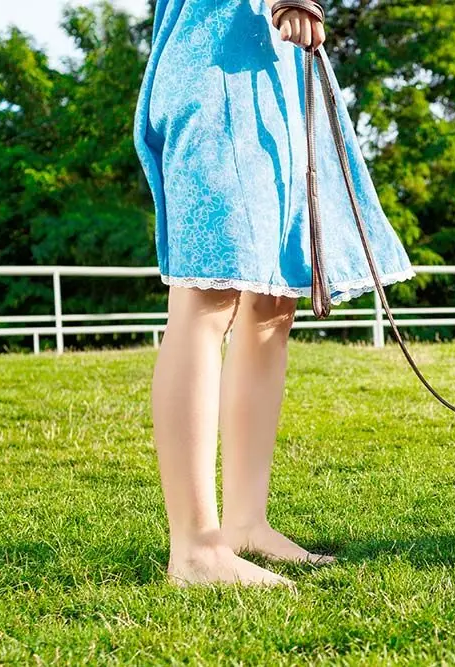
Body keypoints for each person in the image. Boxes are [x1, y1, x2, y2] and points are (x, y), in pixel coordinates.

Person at [133, 0, 413, 586]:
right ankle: (194, 546)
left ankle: (244, 524)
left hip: (279, 70)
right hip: (213, 63)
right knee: (208, 292)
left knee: (271, 307)